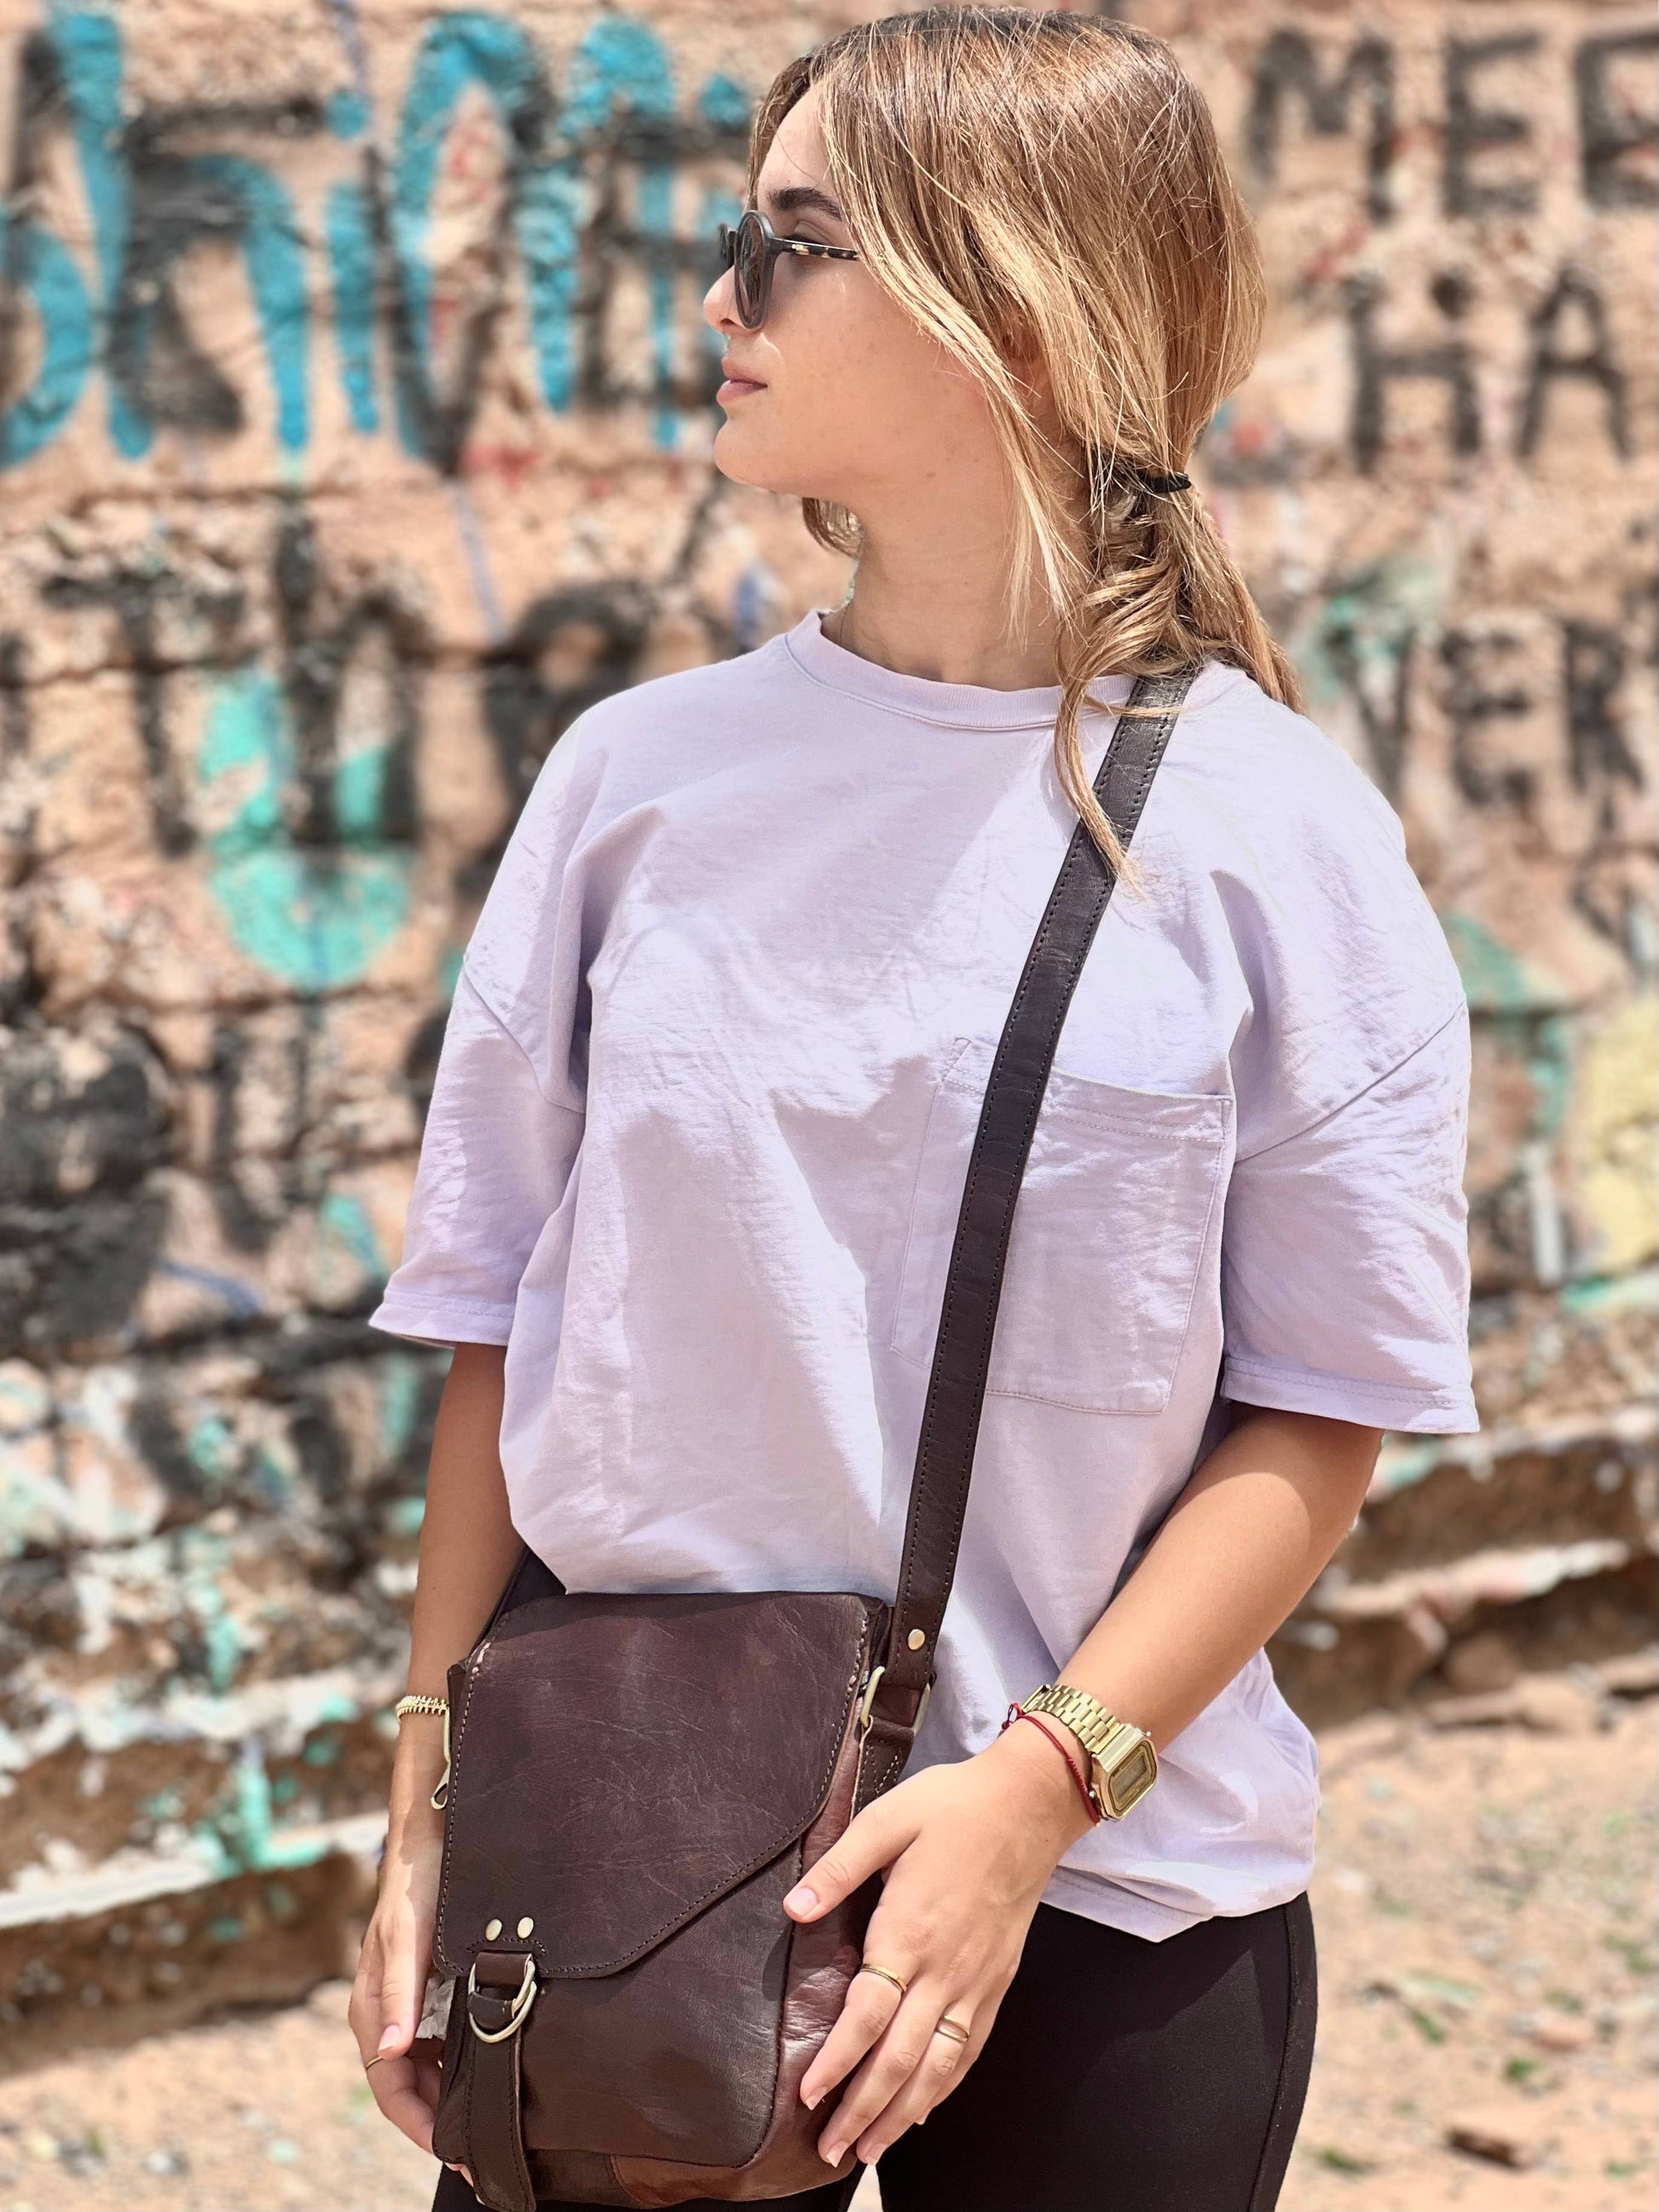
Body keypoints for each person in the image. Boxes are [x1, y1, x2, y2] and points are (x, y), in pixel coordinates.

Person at [348, 11, 1479, 2210]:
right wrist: (425, 1809)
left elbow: (1324, 1411)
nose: (721, 299)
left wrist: (1039, 1788)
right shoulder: (633, 785)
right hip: (626, 1853)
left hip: (1112, 1895)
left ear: (1017, 319)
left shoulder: (1276, 839)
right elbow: (496, 1322)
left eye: (794, 243)